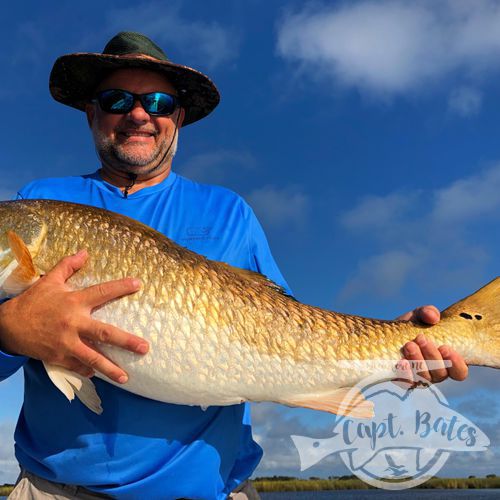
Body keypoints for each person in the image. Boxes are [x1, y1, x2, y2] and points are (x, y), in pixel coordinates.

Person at [0, 32, 468, 499]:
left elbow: (288, 324)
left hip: (214, 490)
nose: (139, 114)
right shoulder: (40, 202)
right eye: (117, 99)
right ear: (92, 113)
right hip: (55, 489)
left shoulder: (228, 211)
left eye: (159, 102)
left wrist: (399, 344)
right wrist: (10, 331)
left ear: (177, 118)